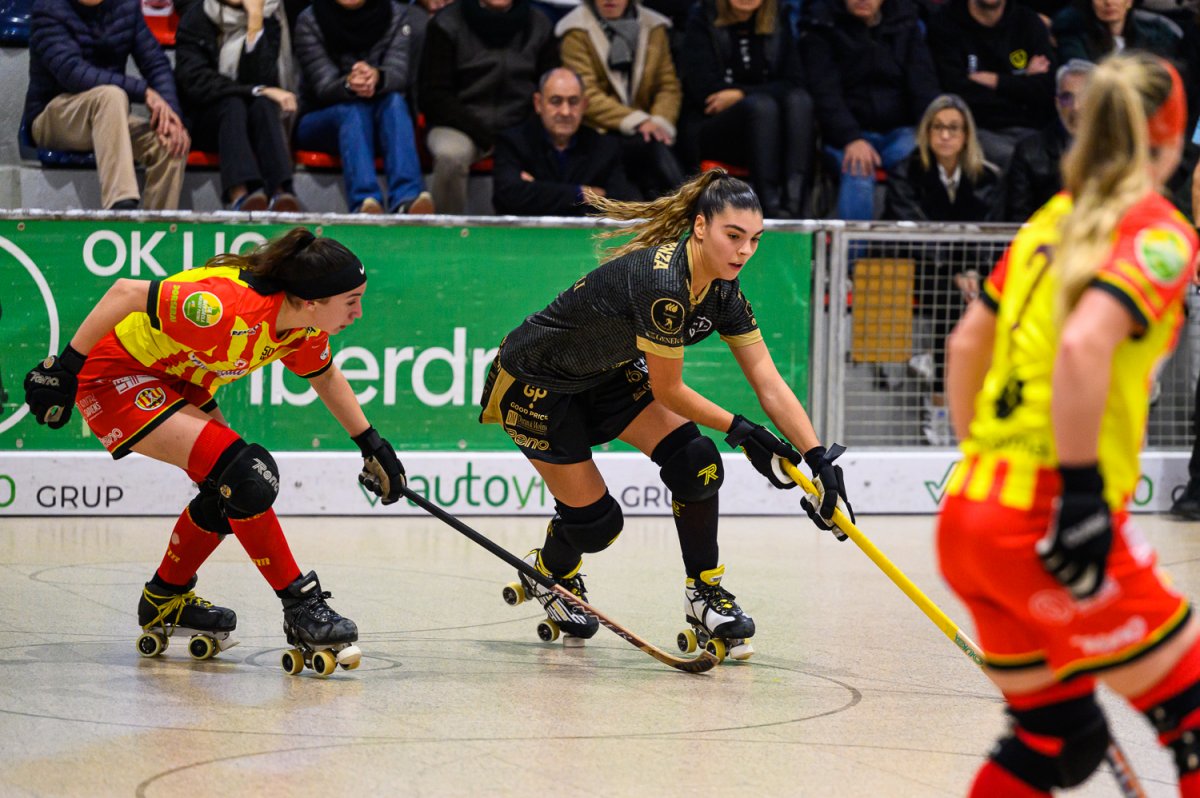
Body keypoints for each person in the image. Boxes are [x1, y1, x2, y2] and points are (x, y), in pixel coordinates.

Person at [936, 53, 1200, 796]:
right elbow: (1086, 344)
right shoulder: (1158, 230)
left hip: (972, 514)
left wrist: (987, 461)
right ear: (1172, 136)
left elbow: (967, 346)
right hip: (1052, 514)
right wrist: (1080, 495)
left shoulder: (1054, 219)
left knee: (1054, 737)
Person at [478, 169, 855, 659]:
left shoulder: (722, 291)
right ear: (700, 228)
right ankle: (551, 571)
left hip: (605, 375)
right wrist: (743, 431)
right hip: (537, 384)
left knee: (697, 462)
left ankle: (704, 593)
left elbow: (768, 380)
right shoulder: (664, 283)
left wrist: (819, 458)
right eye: (733, 236)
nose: (743, 252)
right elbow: (668, 388)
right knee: (597, 525)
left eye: (754, 240)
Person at [22, 228, 407, 675]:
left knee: (233, 491)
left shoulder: (302, 328)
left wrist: (372, 445)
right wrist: (66, 367)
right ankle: (301, 605)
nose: (358, 313)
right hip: (115, 376)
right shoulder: (223, 306)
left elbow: (324, 377)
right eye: (351, 301)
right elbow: (125, 292)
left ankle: (164, 599)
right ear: (310, 301)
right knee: (248, 476)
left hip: (178, 376)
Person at [883, 93, 1000, 447]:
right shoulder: (906, 171)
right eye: (938, 127)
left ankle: (939, 375)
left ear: (966, 135)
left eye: (953, 128)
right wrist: (957, 269)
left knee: (982, 297)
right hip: (918, 266)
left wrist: (974, 270)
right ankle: (938, 406)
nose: (945, 135)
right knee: (953, 299)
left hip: (968, 272)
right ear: (926, 132)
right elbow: (913, 232)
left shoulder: (987, 177)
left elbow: (989, 233)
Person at [23, 0, 189, 210]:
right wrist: (144, 92)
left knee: (170, 142)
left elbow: (155, 63)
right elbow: (72, 74)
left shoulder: (125, 6)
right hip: (54, 117)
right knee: (112, 96)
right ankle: (121, 207)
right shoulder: (49, 8)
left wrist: (170, 113)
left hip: (110, 118)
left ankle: (158, 233)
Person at [802, 0, 940, 221]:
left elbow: (923, 86)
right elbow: (825, 94)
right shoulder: (822, 27)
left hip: (899, 132)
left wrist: (934, 128)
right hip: (844, 135)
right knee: (858, 171)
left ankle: (918, 251)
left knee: (916, 160)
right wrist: (851, 138)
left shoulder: (906, 26)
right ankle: (852, 255)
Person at [293, 0, 434, 215]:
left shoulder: (395, 14)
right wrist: (350, 84)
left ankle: (407, 198)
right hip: (320, 119)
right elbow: (322, 85)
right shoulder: (309, 20)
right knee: (352, 110)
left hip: (379, 115)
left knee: (395, 102)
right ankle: (365, 201)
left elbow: (399, 73)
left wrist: (377, 77)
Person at [418, 0, 559, 214]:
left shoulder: (540, 24)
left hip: (521, 124)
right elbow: (434, 95)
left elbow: (548, 88)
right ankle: (445, 234)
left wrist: (519, 134)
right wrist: (484, 135)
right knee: (450, 156)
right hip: (460, 125)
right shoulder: (446, 23)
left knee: (557, 141)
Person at [679, 0, 815, 218]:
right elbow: (704, 91)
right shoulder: (703, 17)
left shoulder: (778, 19)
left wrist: (741, 94)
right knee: (763, 107)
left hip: (771, 132)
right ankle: (767, 208)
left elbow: (794, 81)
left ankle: (794, 205)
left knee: (800, 101)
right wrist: (753, 96)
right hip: (715, 131)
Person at [174, 0, 302, 212]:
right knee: (233, 103)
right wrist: (255, 90)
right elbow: (196, 82)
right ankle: (240, 195)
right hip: (205, 119)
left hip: (249, 118)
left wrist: (254, 24)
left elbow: (263, 78)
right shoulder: (198, 15)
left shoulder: (268, 16)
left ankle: (281, 194)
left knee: (264, 104)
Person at [556, 0, 685, 200]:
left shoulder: (654, 27)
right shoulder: (575, 30)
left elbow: (667, 86)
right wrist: (639, 121)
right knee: (652, 153)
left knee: (657, 147)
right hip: (597, 133)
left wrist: (659, 123)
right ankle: (689, 208)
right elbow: (584, 94)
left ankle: (684, 210)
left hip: (646, 134)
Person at [927, 0, 1057, 169]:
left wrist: (996, 81)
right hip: (977, 129)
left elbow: (1047, 88)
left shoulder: (1028, 22)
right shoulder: (945, 24)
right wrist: (1023, 82)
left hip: (1032, 128)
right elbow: (956, 94)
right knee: (1023, 162)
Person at [493, 67, 636, 215]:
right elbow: (508, 198)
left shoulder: (605, 147)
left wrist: (537, 190)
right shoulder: (513, 142)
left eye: (573, 102)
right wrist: (581, 193)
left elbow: (618, 206)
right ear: (538, 103)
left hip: (584, 237)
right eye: (556, 101)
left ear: (584, 105)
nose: (565, 111)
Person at [1002, 59, 1093, 223]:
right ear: (1057, 103)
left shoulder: (1117, 150)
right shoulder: (1029, 151)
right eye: (1067, 98)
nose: (1076, 107)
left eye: (1085, 97)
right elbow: (1018, 220)